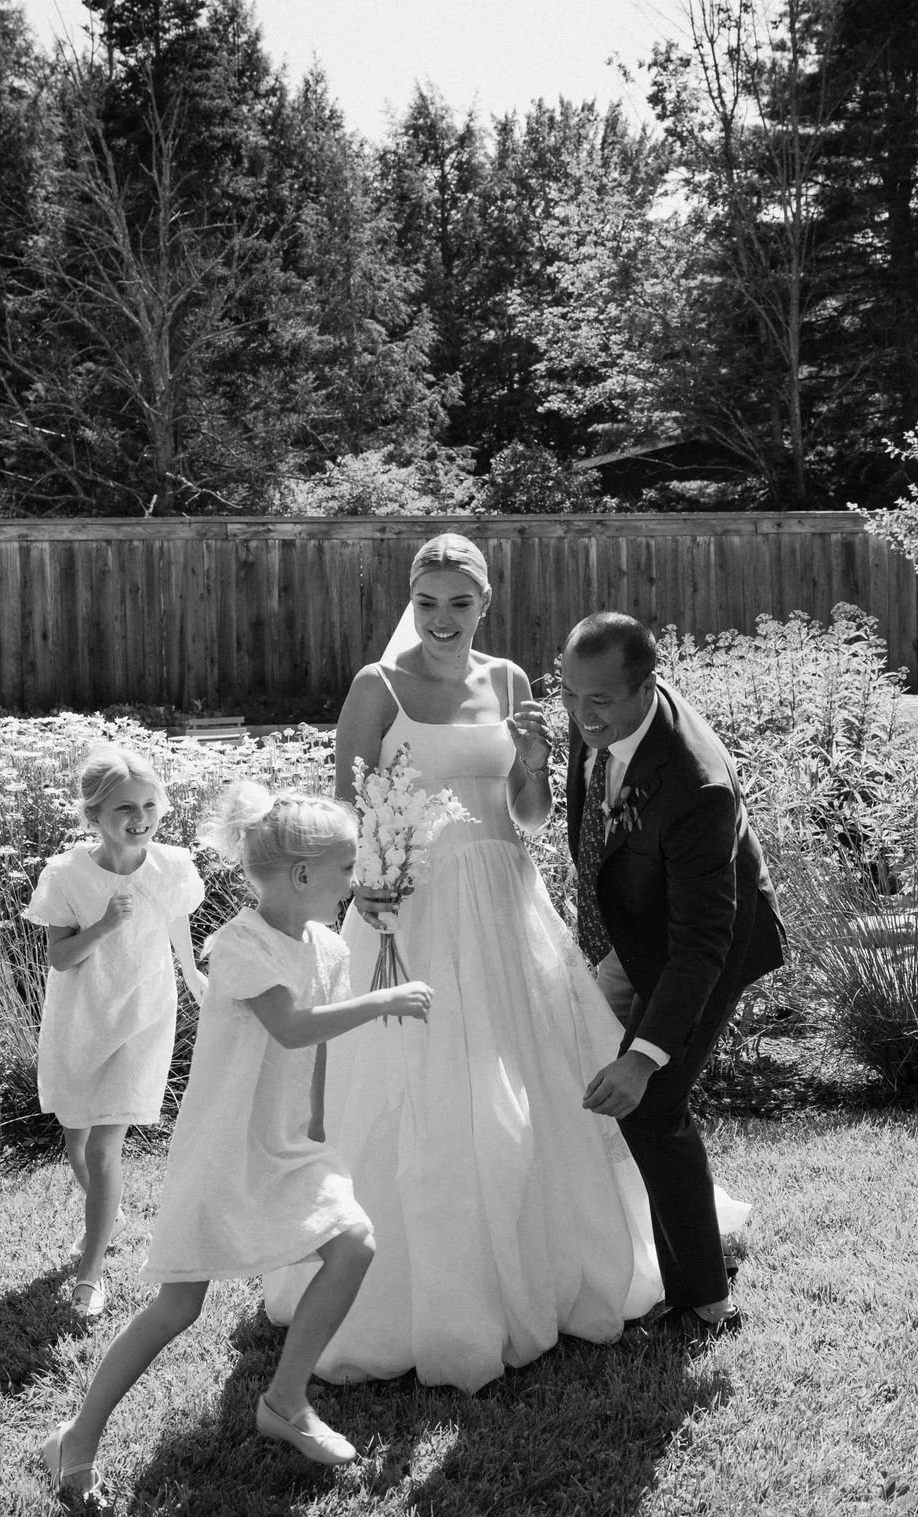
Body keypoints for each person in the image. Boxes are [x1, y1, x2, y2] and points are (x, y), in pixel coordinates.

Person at [262, 533, 676, 1391]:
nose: (442, 619)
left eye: (459, 602)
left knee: (523, 1084)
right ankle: (401, 1286)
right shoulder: (377, 688)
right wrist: (363, 885)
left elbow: (528, 816)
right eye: (427, 602)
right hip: (410, 911)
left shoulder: (513, 682)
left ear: (485, 603)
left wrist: (535, 765)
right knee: (419, 1091)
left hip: (505, 907)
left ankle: (542, 1265)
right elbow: (343, 810)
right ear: (410, 603)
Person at [37, 780, 433, 1503]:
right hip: (224, 1147)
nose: (353, 882)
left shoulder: (326, 947)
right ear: (303, 875)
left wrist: (316, 1127)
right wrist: (383, 1000)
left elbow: (313, 1053)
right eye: (346, 869)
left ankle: (285, 1400)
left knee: (354, 1243)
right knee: (178, 1306)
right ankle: (78, 1436)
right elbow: (292, 1027)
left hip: (287, 1143)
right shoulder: (239, 945)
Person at [559, 611, 783, 1336]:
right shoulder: (597, 709)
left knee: (649, 1103)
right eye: (569, 694)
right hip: (636, 933)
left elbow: (701, 944)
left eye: (598, 699)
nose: (581, 714)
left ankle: (704, 1301)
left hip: (707, 947)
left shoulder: (696, 785)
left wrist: (643, 1056)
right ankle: (626, 1247)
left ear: (645, 685)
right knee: (592, 1077)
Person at [21, 743, 206, 1319]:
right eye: (125, 807)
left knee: (104, 1149)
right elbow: (60, 958)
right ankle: (110, 1213)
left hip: (144, 1016)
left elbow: (176, 919)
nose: (140, 818)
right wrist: (103, 925)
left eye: (149, 805)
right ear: (94, 815)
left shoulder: (173, 867)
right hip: (82, 1018)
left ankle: (90, 1272)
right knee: (77, 1140)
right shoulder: (66, 875)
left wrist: (191, 972)